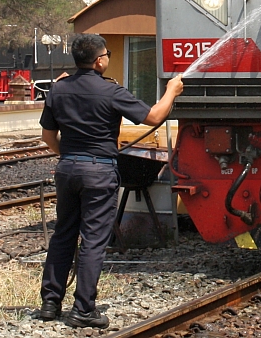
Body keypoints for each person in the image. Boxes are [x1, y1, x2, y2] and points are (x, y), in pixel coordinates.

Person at [38, 33, 184, 327]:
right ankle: (83, 309)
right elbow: (154, 117)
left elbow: (47, 137)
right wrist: (171, 91)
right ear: (99, 60)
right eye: (107, 55)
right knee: (93, 239)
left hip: (67, 169)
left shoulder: (58, 90)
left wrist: (69, 155)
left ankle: (50, 303)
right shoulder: (111, 92)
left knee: (63, 234)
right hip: (100, 171)